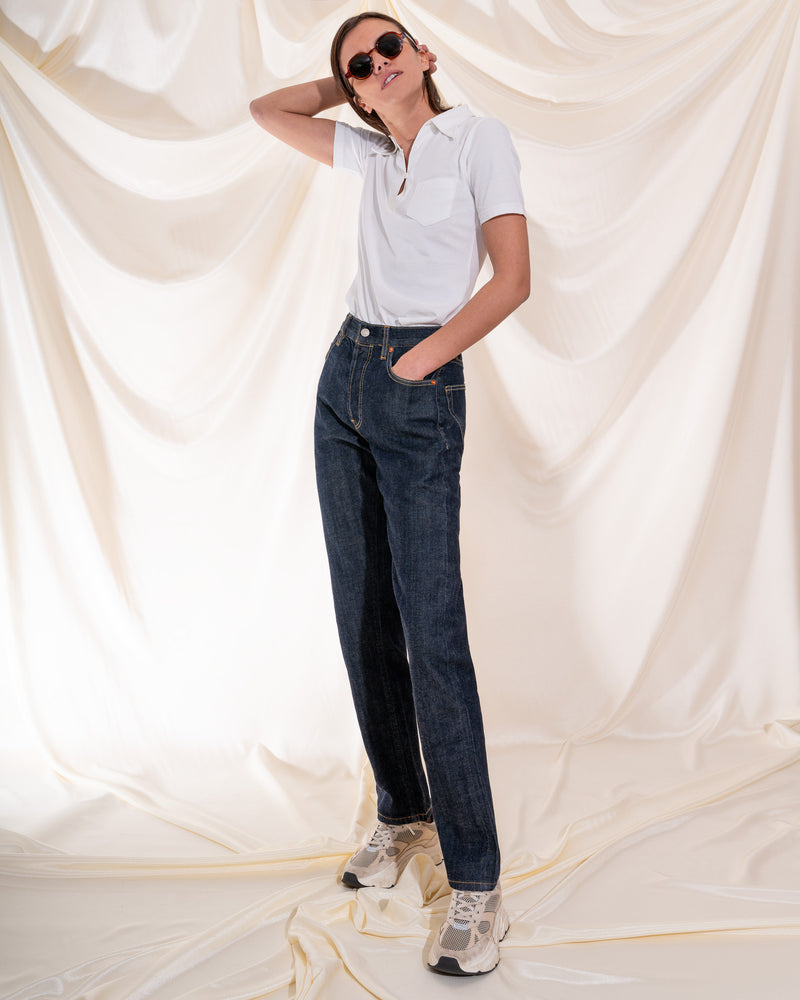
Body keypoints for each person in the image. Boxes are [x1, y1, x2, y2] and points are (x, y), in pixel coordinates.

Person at [250, 11, 529, 977]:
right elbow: (267, 110)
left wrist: (421, 362)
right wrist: (356, 91)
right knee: (362, 612)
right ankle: (404, 812)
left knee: (431, 630)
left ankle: (478, 883)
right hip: (344, 380)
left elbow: (512, 279)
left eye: (388, 47)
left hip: (418, 385)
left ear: (424, 53)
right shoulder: (370, 152)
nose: (376, 65)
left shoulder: (478, 138)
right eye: (359, 63)